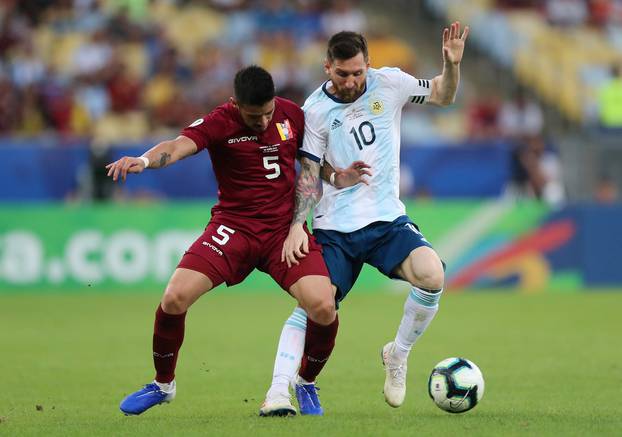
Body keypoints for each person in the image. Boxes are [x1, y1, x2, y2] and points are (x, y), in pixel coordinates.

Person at [106, 65, 368, 416]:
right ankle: (162, 385)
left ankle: (305, 383)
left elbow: (310, 163)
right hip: (233, 229)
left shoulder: (292, 114)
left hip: (281, 233)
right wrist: (143, 160)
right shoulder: (220, 121)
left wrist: (337, 175)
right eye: (253, 115)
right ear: (235, 104)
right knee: (174, 298)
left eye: (267, 113)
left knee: (323, 306)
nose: (261, 122)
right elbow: (178, 146)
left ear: (275, 101)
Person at [262, 23, 469, 415]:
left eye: (358, 72)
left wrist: (451, 64)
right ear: (327, 68)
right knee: (315, 305)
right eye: (343, 74)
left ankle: (398, 355)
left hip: (386, 218)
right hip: (335, 227)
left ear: (368, 65)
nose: (352, 81)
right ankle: (277, 390)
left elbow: (443, 95)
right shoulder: (315, 111)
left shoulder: (389, 82)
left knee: (432, 275)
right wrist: (296, 227)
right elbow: (309, 172)